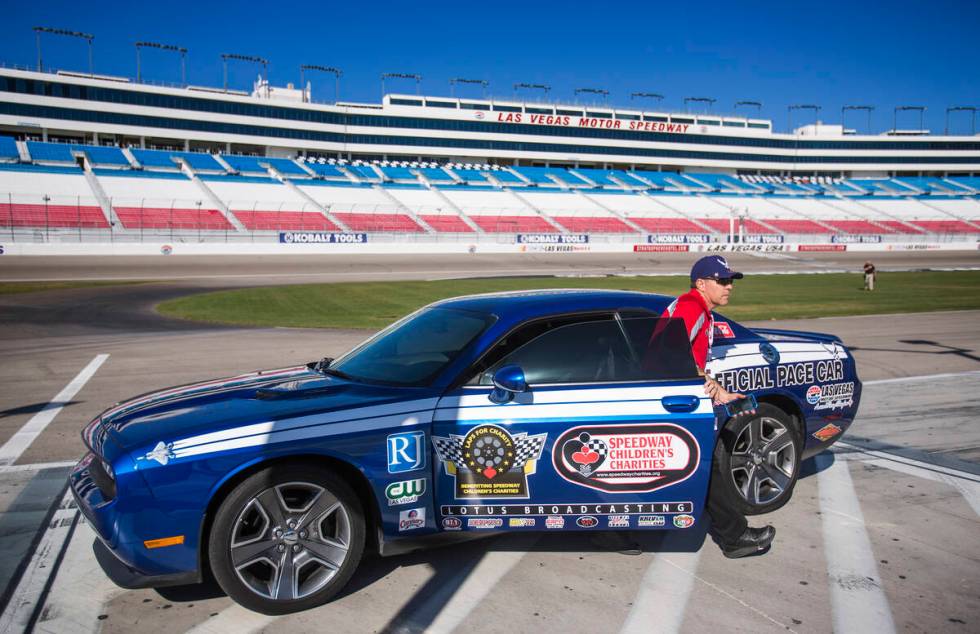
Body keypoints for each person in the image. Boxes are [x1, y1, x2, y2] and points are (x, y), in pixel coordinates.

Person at [661, 255, 776, 558]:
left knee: (697, 468)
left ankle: (620, 534)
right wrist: (704, 381)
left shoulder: (699, 309)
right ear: (701, 284)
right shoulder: (691, 306)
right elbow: (669, 353)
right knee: (706, 468)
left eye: (730, 281)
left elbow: (686, 358)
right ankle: (734, 537)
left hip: (675, 398)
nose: (729, 287)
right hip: (673, 403)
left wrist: (719, 392)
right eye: (722, 281)